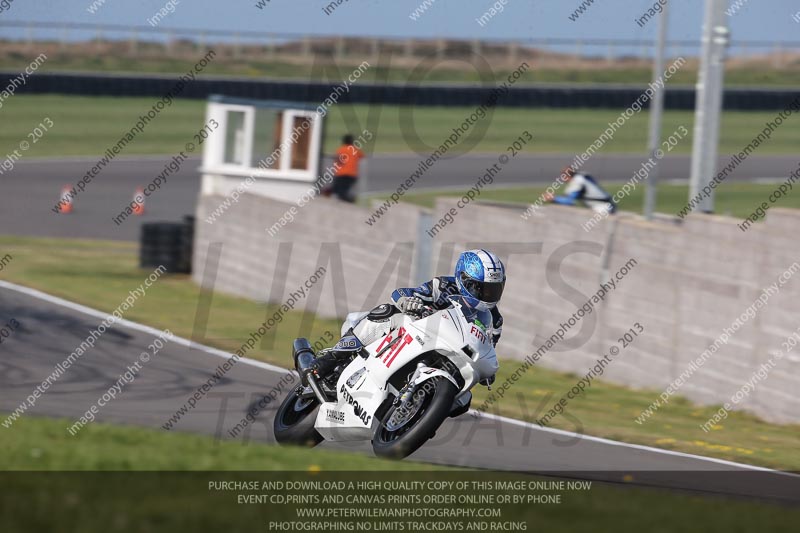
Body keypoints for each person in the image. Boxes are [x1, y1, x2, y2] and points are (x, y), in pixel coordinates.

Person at [305, 249, 506, 381]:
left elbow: (487, 347)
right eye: (481, 289)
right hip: (418, 336)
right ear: (464, 279)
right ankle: (332, 358)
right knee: (388, 312)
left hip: (453, 357)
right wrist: (409, 302)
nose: (487, 295)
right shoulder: (443, 286)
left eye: (493, 290)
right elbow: (402, 293)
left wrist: (486, 371)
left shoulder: (494, 320)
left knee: (463, 403)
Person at [544, 166, 616, 215]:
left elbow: (570, 201)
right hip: (608, 204)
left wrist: (554, 199)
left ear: (566, 176)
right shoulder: (583, 176)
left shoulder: (577, 181)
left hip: (602, 208)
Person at [326, 134, 364, 203]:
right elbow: (362, 156)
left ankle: (346, 200)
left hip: (341, 174)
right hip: (352, 175)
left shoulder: (341, 149)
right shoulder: (355, 149)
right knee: (342, 190)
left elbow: (337, 160)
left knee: (338, 190)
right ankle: (348, 200)